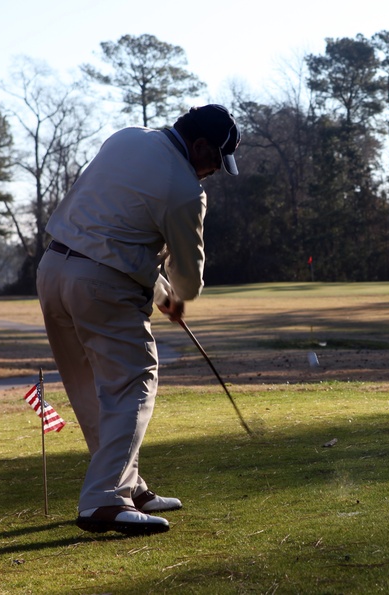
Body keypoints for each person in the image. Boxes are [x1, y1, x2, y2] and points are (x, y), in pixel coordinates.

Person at [36, 104, 241, 535]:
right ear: (200, 146)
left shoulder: (128, 136)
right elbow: (189, 275)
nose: (214, 172)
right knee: (134, 381)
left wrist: (160, 292)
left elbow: (113, 227)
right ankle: (104, 500)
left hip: (53, 270)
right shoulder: (186, 189)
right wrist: (177, 294)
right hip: (102, 287)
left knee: (94, 389)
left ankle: (128, 486)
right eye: (215, 161)